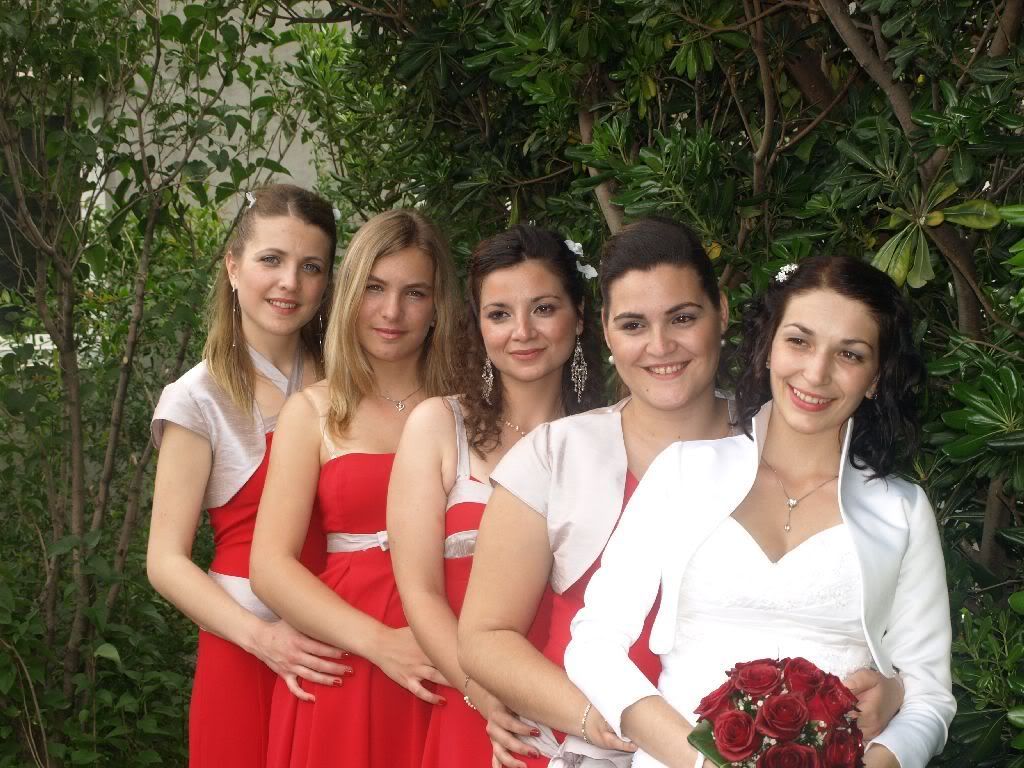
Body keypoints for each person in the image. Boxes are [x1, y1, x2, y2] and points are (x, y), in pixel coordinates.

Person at [459, 219, 904, 768]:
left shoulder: (795, 443)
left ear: (721, 312)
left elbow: (869, 616)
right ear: (605, 330)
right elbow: (485, 635)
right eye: (633, 324)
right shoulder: (553, 455)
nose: (660, 346)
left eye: (683, 318)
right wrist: (604, 721)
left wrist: (894, 690)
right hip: (576, 742)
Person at [564, 255, 955, 768]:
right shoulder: (682, 473)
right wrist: (701, 761)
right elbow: (593, 645)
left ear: (875, 377)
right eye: (799, 341)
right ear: (769, 346)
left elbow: (930, 696)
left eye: (850, 354)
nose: (816, 372)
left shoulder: (901, 509)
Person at [250, 209, 461, 768]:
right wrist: (381, 644)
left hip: (455, 643)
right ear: (349, 295)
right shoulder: (313, 411)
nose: (392, 312)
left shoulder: (472, 409)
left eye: (414, 293)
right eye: (374, 288)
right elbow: (269, 566)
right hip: (350, 651)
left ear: (438, 306)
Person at [147, 184, 349, 767]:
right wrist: (263, 640)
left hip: (348, 637)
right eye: (271, 260)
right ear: (233, 267)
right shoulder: (197, 397)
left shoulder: (350, 379)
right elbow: (165, 561)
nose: (290, 283)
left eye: (311, 267)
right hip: (249, 649)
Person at [387, 226, 604, 768]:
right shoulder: (438, 426)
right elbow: (419, 592)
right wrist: (482, 693)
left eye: (544, 309)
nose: (522, 332)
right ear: (479, 326)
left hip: (590, 703)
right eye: (500, 314)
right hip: (479, 707)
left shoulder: (612, 436)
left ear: (579, 316)